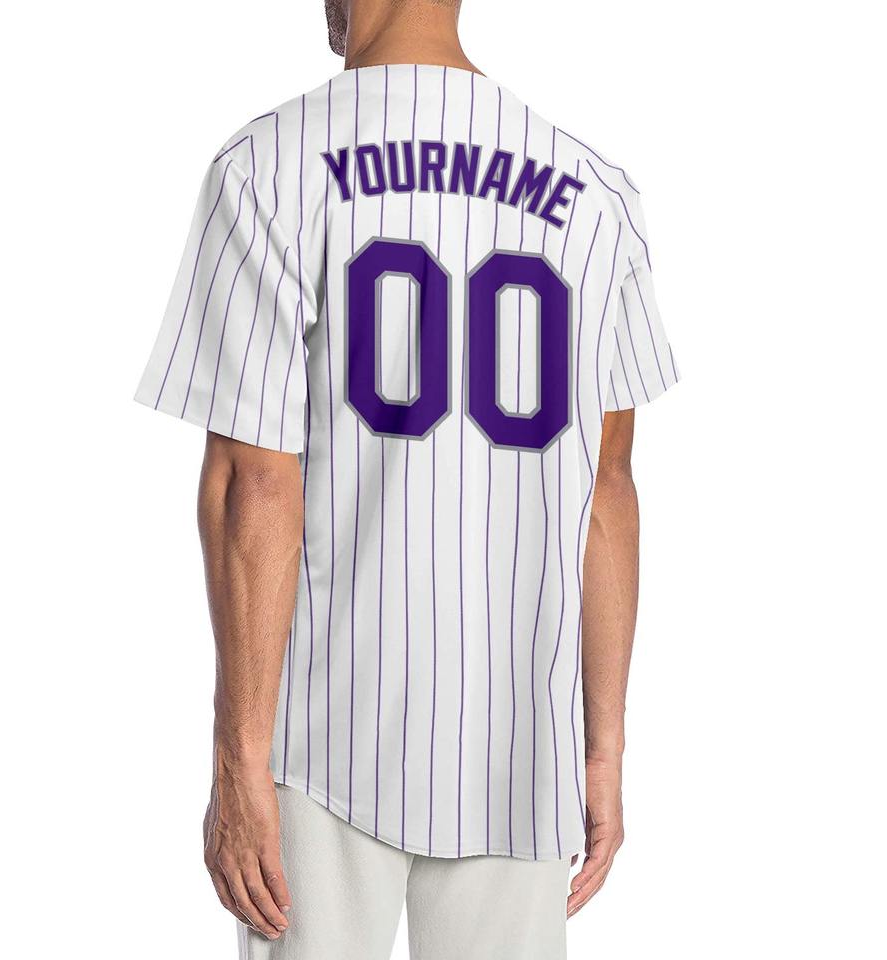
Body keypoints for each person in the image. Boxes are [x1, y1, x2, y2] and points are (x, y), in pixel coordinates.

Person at [136, 1, 678, 956]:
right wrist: (603, 750)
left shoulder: (269, 165)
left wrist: (237, 758)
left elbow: (252, 484)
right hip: (520, 746)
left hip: (321, 737)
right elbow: (607, 494)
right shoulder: (598, 193)